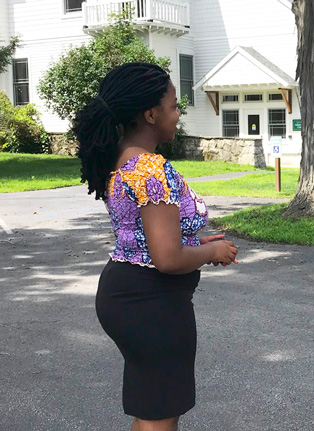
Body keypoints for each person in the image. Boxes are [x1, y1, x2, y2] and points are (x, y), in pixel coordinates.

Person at [72, 62, 238, 431]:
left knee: (153, 407)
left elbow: (146, 237)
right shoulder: (150, 168)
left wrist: (194, 241)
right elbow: (168, 258)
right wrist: (212, 252)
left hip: (130, 294)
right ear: (150, 114)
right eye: (174, 105)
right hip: (151, 301)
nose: (179, 114)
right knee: (160, 412)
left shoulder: (125, 158)